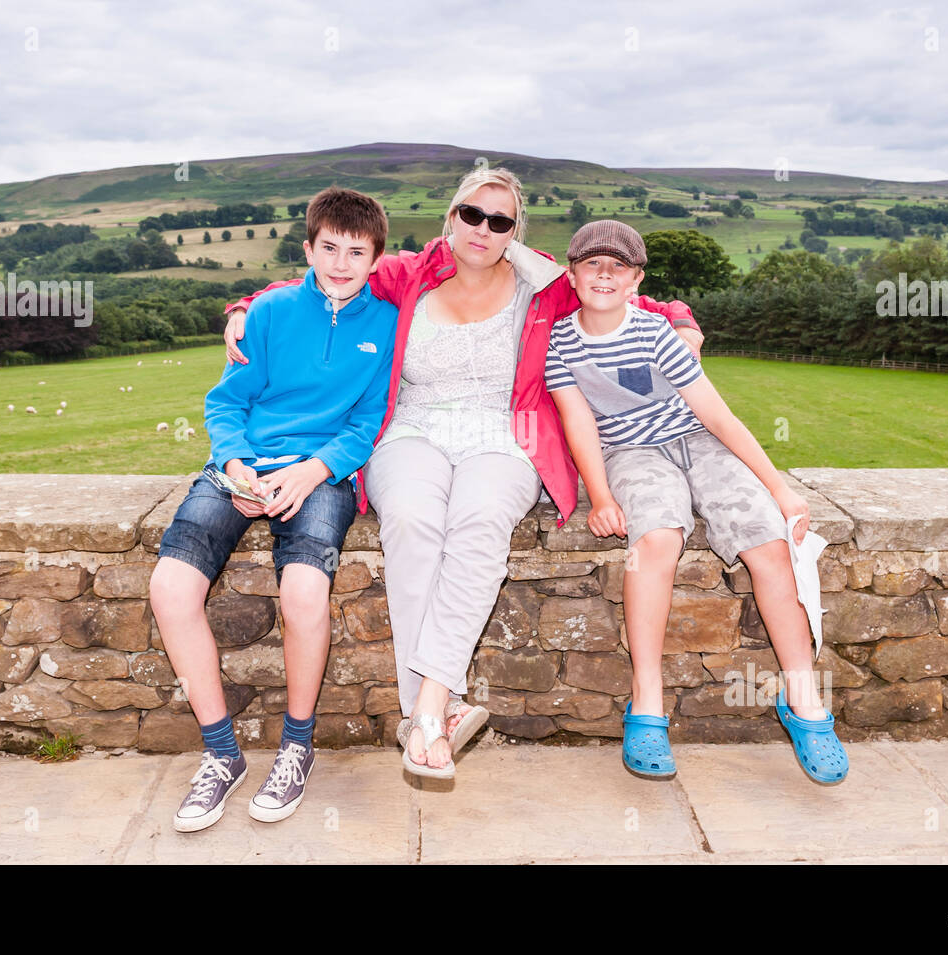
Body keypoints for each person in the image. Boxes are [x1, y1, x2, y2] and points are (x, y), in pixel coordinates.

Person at [220, 167, 704, 780]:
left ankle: (427, 707)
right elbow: (320, 276)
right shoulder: (408, 273)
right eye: (472, 214)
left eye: (499, 221)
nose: (483, 228)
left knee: (479, 526)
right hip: (412, 427)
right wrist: (241, 309)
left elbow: (621, 294)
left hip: (503, 433)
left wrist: (681, 320)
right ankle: (435, 717)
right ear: (452, 217)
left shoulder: (541, 282)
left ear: (514, 233)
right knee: (413, 522)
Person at [545, 220, 848, 784]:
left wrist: (779, 489)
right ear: (572, 273)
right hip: (630, 453)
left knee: (768, 542)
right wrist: (603, 496)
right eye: (592, 264)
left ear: (636, 279)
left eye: (618, 266)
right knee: (656, 539)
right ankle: (647, 703)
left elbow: (716, 415)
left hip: (699, 443)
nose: (604, 275)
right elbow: (579, 422)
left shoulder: (657, 332)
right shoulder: (561, 342)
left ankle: (803, 700)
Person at [150, 186, 399, 831]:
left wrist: (313, 470)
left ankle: (296, 745)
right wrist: (234, 465)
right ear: (308, 248)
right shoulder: (269, 310)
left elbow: (367, 422)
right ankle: (221, 754)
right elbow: (227, 401)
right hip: (243, 467)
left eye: (357, 252)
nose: (341, 264)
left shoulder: (388, 323)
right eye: (329, 249)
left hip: (323, 474)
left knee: (304, 593)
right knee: (170, 588)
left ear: (376, 256)